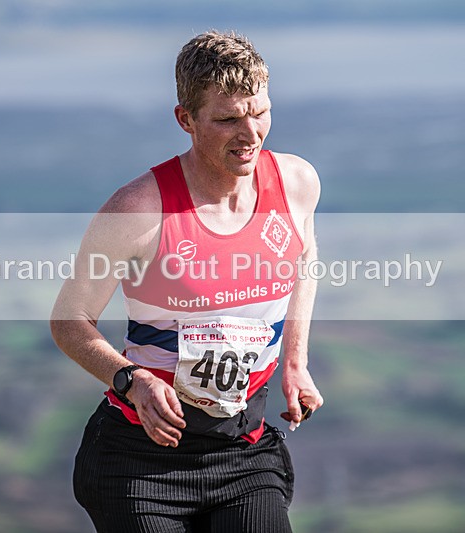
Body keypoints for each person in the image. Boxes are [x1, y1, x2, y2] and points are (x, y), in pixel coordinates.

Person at [51, 30, 323, 533]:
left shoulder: (295, 182)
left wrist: (295, 363)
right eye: (227, 119)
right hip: (139, 460)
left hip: (243, 450)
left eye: (260, 112)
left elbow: (303, 258)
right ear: (186, 120)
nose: (251, 134)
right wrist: (133, 380)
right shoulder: (137, 210)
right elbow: (69, 321)